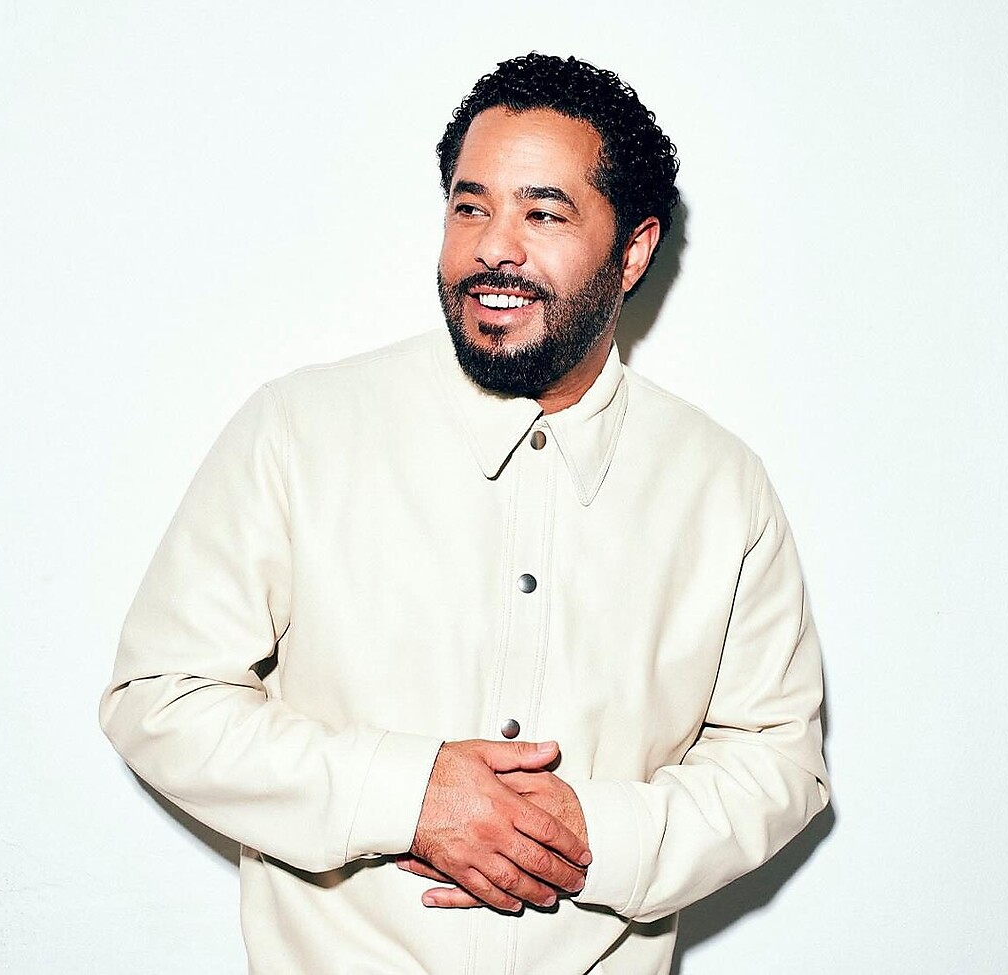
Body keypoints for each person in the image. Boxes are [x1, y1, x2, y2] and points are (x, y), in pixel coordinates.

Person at [100, 52, 829, 975]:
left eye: (543, 213)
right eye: (471, 206)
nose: (493, 248)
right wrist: (407, 794)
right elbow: (159, 696)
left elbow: (779, 760)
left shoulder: (721, 487)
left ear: (634, 251)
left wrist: (595, 833)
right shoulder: (299, 430)